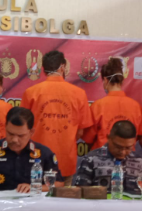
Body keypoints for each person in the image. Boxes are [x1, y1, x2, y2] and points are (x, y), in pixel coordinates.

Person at [21, 50, 93, 183]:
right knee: (64, 196)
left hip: (36, 160)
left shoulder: (31, 93)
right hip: (65, 160)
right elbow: (80, 132)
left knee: (34, 194)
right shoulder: (79, 94)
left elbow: (22, 129)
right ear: (62, 67)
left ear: (43, 70)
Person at [0, 107, 64, 193]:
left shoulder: (44, 153)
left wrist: (34, 188)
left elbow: (58, 183)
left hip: (32, 202)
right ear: (5, 127)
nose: (14, 140)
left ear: (31, 132)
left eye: (21, 136)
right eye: (10, 134)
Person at [74, 120, 142, 195]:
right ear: (108, 138)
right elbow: (80, 191)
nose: (122, 152)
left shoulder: (140, 162)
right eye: (118, 147)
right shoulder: (91, 159)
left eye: (128, 148)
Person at [83, 58, 142, 151]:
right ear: (122, 80)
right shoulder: (135, 106)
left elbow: (88, 138)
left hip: (102, 154)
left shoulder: (98, 105)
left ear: (105, 80)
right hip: (127, 155)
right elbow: (136, 135)